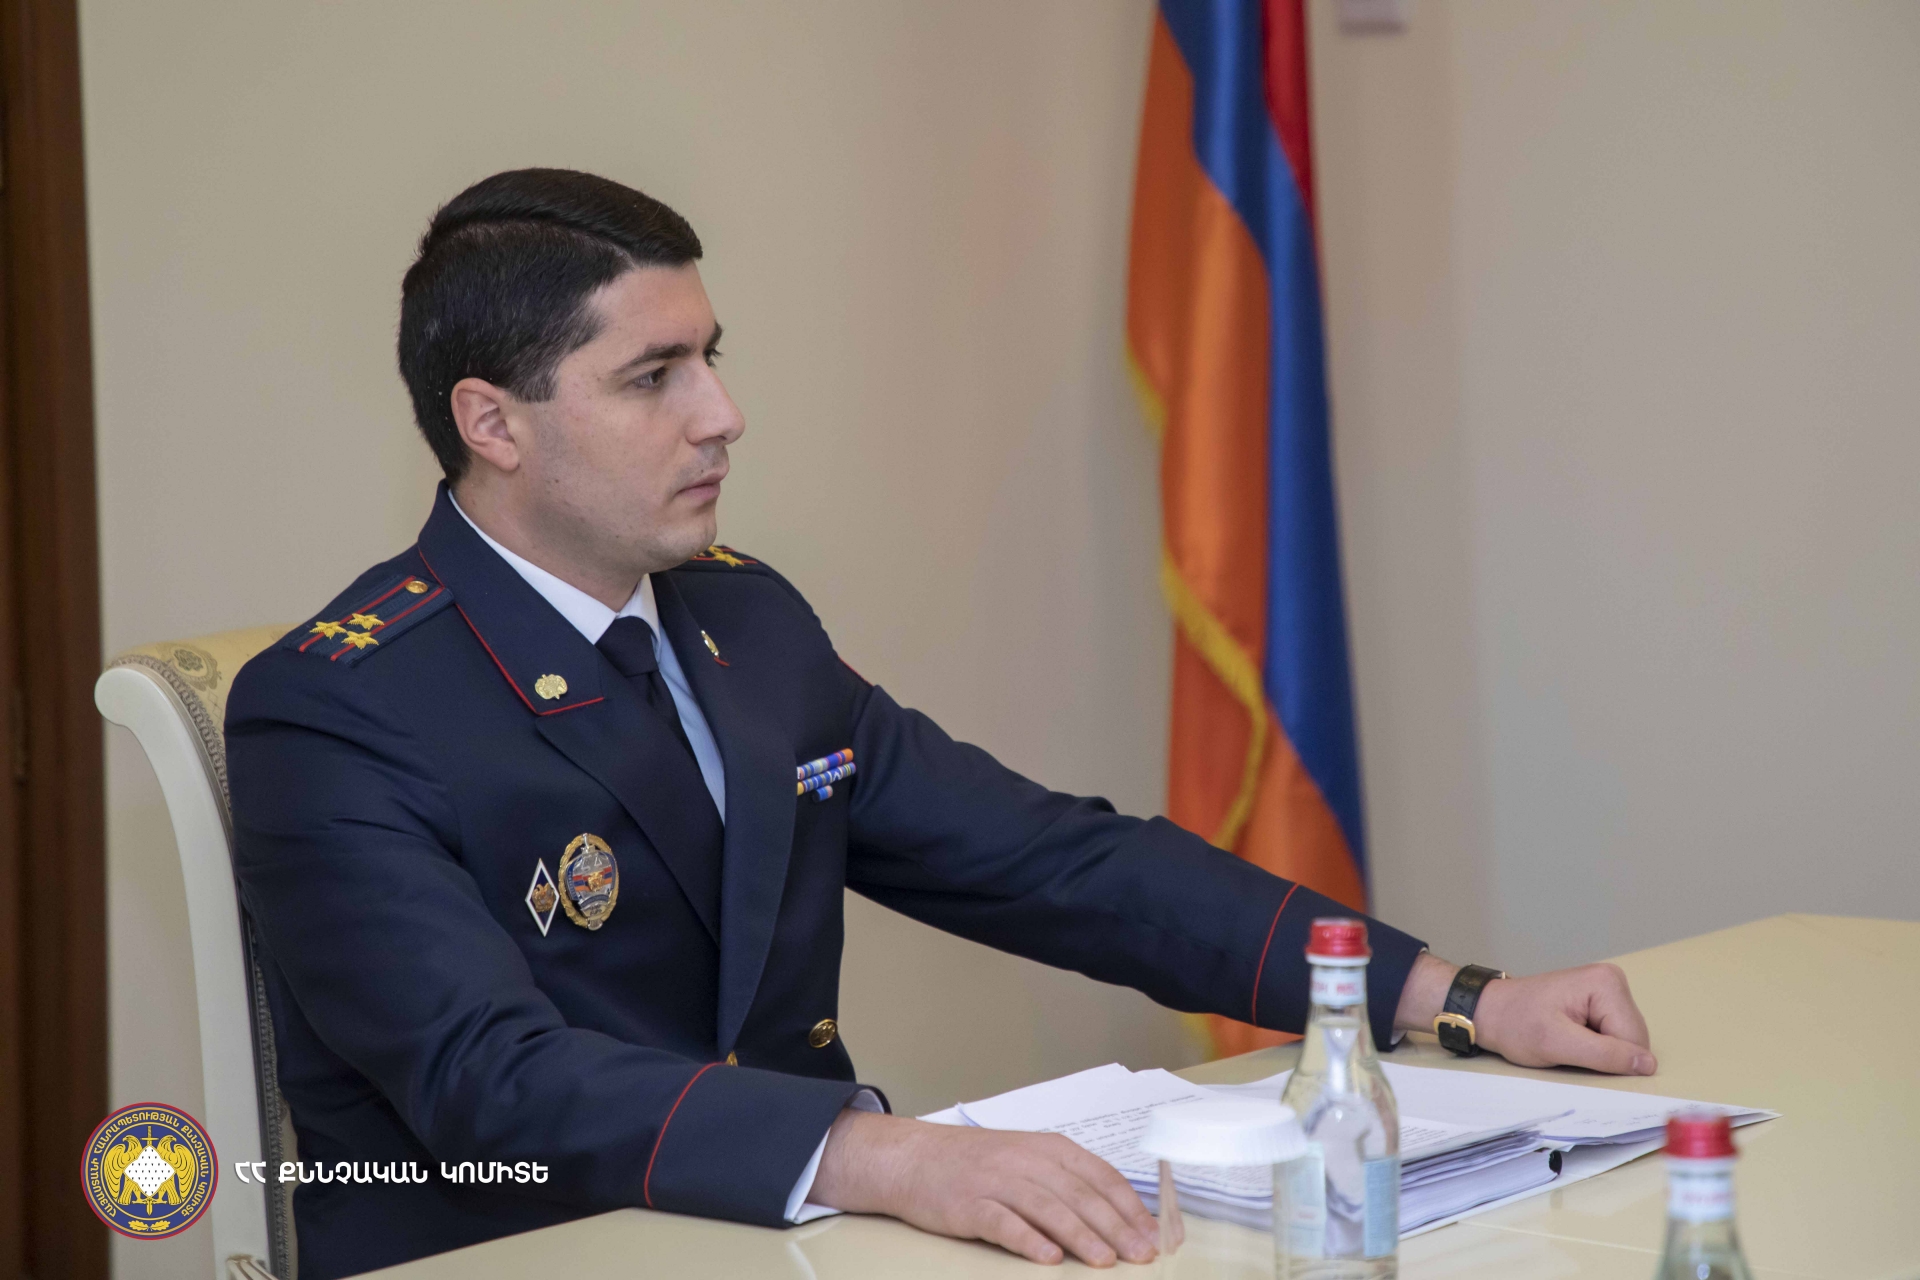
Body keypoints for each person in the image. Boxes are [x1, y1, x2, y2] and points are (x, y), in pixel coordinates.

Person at [227, 168, 1656, 1279]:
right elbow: (491, 1080)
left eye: (711, 357)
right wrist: (887, 1158)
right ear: (493, 423)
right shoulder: (339, 708)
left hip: (798, 1232)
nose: (723, 414)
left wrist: (1455, 997)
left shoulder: (744, 624)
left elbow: (1049, 862)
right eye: (654, 378)